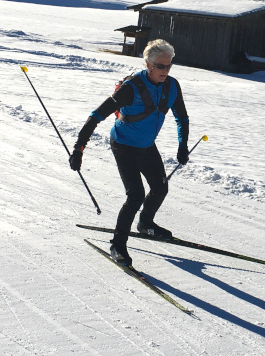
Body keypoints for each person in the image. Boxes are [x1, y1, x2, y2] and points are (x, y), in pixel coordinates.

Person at [69, 39, 190, 267]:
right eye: (161, 66)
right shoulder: (131, 88)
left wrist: (182, 145)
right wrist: (79, 149)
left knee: (160, 187)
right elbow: (96, 115)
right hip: (124, 145)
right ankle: (118, 244)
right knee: (135, 195)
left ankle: (146, 223)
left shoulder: (172, 86)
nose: (166, 70)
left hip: (146, 145)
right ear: (148, 64)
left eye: (169, 65)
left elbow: (182, 117)